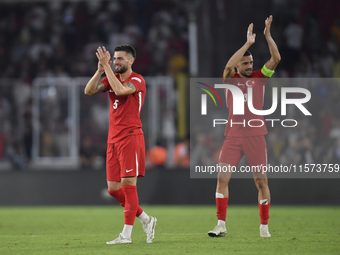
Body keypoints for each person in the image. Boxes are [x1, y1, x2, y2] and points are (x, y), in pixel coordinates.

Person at [208, 15, 281, 238]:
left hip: (256, 136)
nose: (250, 66)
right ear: (240, 65)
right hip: (233, 136)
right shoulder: (230, 79)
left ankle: (264, 226)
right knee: (222, 178)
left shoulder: (261, 77)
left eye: (251, 63)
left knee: (261, 181)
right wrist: (248, 44)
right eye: (246, 63)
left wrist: (267, 36)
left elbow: (276, 58)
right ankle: (220, 225)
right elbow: (229, 65)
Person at [84, 44, 157, 244]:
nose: (116, 62)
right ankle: (146, 219)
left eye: (119, 59)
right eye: (114, 59)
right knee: (113, 188)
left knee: (128, 185)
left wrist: (106, 67)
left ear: (131, 61)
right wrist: (99, 70)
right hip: (113, 139)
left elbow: (120, 90)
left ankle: (126, 235)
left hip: (131, 136)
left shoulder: (137, 80)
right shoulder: (110, 76)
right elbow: (88, 90)